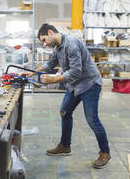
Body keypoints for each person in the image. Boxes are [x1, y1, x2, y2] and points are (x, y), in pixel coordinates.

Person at [24, 23, 111, 169]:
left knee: (92, 120)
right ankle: (65, 145)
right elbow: (51, 64)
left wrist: (53, 79)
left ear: (51, 32)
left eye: (44, 40)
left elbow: (76, 71)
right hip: (75, 85)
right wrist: (34, 72)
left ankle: (105, 153)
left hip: (89, 84)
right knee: (64, 112)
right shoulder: (58, 47)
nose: (44, 44)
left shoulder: (71, 44)